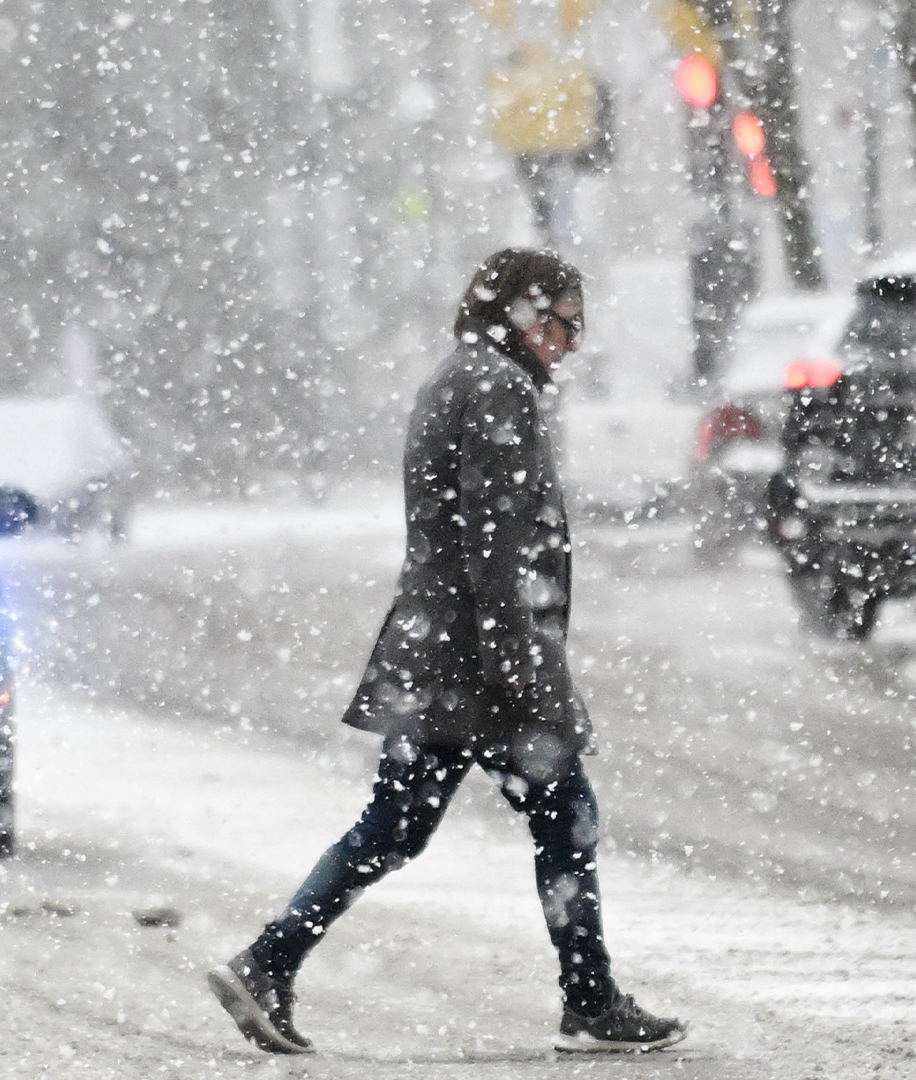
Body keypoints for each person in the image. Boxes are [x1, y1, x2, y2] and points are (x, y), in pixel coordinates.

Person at [206, 249, 687, 1055]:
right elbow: (496, 553)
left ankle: (268, 962)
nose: (573, 340)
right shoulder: (498, 390)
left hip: (443, 657)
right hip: (479, 664)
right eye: (568, 321)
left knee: (396, 825)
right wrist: (525, 679)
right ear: (530, 317)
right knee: (563, 815)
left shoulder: (459, 377)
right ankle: (591, 1002)